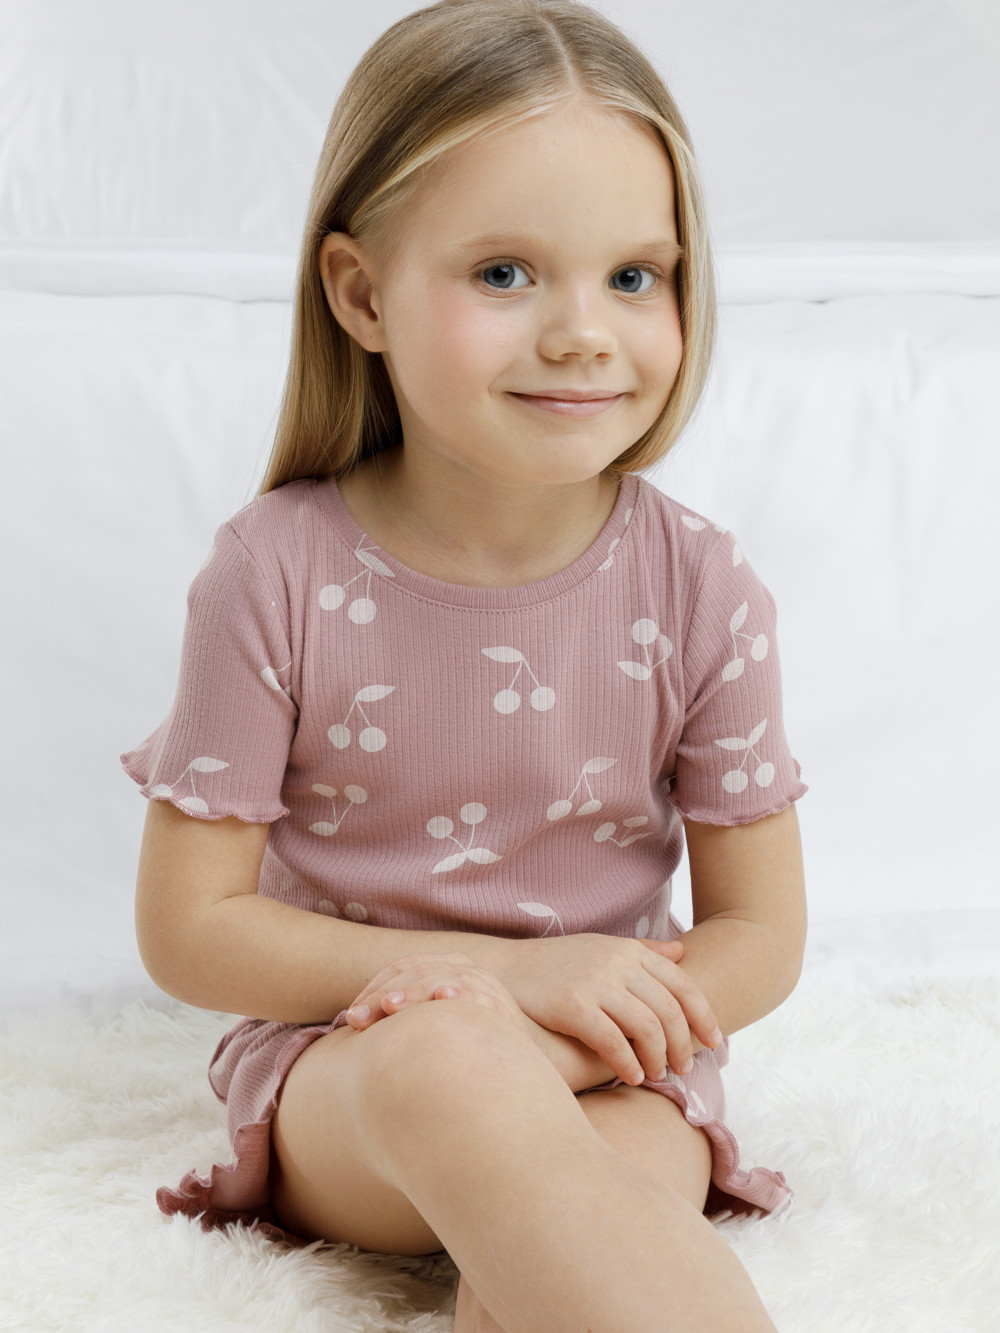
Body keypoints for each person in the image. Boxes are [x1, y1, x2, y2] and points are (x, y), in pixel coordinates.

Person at [124, 2, 808, 1329]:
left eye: (635, 276)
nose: (583, 331)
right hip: (356, 1070)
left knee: (592, 1223)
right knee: (448, 1065)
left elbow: (760, 933)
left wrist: (573, 1024)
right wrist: (497, 987)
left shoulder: (701, 585)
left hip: (614, 1067)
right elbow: (191, 927)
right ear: (361, 295)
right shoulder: (275, 570)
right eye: (504, 273)